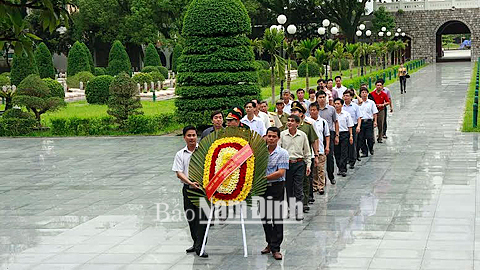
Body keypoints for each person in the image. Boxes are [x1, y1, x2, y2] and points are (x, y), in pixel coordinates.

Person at [172, 126, 208, 258]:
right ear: (184, 137)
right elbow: (179, 173)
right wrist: (190, 183)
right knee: (191, 218)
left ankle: (201, 246)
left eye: (194, 135)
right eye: (189, 135)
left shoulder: (204, 152)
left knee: (203, 219)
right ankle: (196, 243)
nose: (192, 138)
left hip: (203, 191)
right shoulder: (180, 154)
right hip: (188, 189)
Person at [261, 127, 289, 261]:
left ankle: (276, 248)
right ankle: (269, 243)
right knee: (265, 217)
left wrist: (264, 178)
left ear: (278, 138)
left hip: (276, 186)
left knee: (276, 217)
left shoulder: (282, 153)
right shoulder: (260, 152)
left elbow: (281, 172)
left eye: (273, 136)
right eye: (269, 136)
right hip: (262, 188)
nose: (271, 139)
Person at [279, 115, 311, 219]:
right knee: (288, 187)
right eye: (288, 121)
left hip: (299, 163)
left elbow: (307, 151)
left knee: (298, 187)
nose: (290, 123)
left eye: (292, 121)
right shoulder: (283, 135)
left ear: (297, 123)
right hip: (287, 164)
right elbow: (279, 150)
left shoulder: (302, 135)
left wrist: (308, 164)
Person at [290, 101, 319, 213]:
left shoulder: (307, 126)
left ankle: (305, 202)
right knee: (293, 183)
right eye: (292, 111)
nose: (293, 113)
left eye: (296, 111)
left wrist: (316, 155)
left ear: (301, 114)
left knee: (305, 181)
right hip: (292, 158)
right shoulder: (287, 128)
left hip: (305, 157)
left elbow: (314, 140)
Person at [316, 90, 339, 185]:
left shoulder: (331, 109)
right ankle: (321, 178)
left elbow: (336, 122)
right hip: (318, 135)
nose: (322, 99)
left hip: (330, 134)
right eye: (320, 97)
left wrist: (337, 135)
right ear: (317, 99)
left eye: (323, 97)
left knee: (329, 156)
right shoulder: (314, 109)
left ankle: (331, 176)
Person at [308, 102, 330, 195]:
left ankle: (321, 186)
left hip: (321, 148)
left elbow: (327, 135)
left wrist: (327, 146)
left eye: (314, 110)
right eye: (311, 110)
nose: (313, 112)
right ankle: (315, 185)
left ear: (318, 111)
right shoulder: (307, 122)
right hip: (311, 150)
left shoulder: (323, 122)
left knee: (321, 169)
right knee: (314, 170)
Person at [354, 87, 378, 157]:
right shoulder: (357, 102)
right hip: (360, 122)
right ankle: (365, 151)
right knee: (361, 138)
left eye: (365, 92)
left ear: (368, 93)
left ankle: (371, 148)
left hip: (369, 122)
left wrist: (375, 121)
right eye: (362, 92)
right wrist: (355, 93)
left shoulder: (371, 102)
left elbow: (375, 113)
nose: (364, 94)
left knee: (369, 137)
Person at [333, 98, 354, 177]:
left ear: (342, 105)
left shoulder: (346, 114)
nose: (336, 105)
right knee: (337, 152)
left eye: (338, 104)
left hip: (345, 134)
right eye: (335, 104)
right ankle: (339, 167)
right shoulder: (333, 114)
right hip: (335, 134)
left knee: (344, 152)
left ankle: (343, 169)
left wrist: (351, 135)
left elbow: (350, 125)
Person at [342, 90, 362, 169]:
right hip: (344, 128)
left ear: (351, 97)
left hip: (353, 126)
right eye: (344, 96)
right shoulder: (341, 106)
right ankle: (345, 159)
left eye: (347, 96)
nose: (346, 97)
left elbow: (359, 117)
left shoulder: (355, 106)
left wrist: (358, 126)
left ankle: (352, 160)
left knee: (352, 144)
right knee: (344, 145)